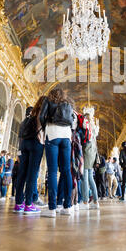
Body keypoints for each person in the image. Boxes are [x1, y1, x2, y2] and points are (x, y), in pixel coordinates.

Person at [39, 87, 74, 217]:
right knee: (66, 171)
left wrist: (45, 127)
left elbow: (41, 116)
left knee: (53, 172)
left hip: (52, 135)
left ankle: (52, 208)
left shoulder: (48, 100)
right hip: (66, 136)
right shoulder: (68, 102)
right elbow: (73, 121)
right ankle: (67, 207)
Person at [14, 96, 46, 215]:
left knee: (22, 174)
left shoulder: (24, 122)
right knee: (32, 174)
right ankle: (28, 204)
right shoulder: (41, 114)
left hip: (23, 146)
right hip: (35, 144)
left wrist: (19, 153)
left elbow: (19, 138)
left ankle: (18, 204)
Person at [79, 109, 100, 211]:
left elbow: (82, 127)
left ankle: (85, 201)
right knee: (90, 178)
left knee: (85, 178)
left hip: (87, 150)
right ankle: (95, 201)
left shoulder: (86, 125)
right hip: (93, 152)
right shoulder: (95, 128)